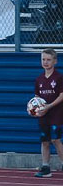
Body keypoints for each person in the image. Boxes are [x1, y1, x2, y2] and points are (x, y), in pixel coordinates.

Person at [32, 49, 63, 178]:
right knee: (45, 141)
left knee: (55, 139)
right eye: (43, 59)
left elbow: (62, 95)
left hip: (56, 114)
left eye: (48, 60)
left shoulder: (59, 77)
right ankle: (45, 167)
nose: (45, 62)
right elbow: (36, 98)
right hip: (43, 115)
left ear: (55, 61)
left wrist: (49, 106)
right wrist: (35, 110)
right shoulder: (39, 79)